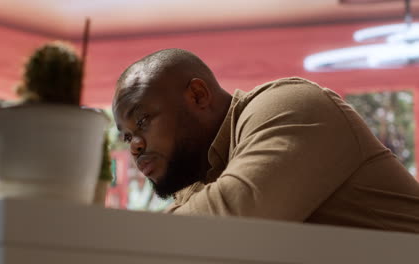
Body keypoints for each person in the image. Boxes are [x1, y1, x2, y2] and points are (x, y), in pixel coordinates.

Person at [113, 48, 419, 233]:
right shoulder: (198, 179)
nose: (135, 145)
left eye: (142, 121)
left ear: (198, 95)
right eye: (127, 136)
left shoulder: (290, 104)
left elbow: (235, 222)